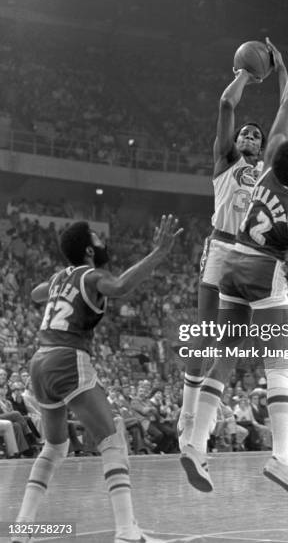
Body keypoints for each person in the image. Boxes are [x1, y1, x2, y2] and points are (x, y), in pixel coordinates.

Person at [180, 21, 288, 502]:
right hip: (263, 272)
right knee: (278, 365)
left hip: (232, 264)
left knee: (225, 354)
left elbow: (286, 109)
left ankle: (196, 443)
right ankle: (282, 460)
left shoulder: (262, 175)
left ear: (276, 157)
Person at [11, 215, 182, 543]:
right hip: (67, 358)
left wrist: (57, 285)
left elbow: (35, 294)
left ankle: (24, 528)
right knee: (112, 440)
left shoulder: (61, 277)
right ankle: (126, 532)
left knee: (55, 447)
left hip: (39, 362)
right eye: (98, 240)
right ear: (89, 249)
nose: (104, 245)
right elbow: (119, 287)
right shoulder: (92, 276)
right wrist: (158, 254)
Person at [177, 36, 288, 451]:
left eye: (254, 136)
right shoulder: (225, 159)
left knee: (230, 340)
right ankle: (188, 414)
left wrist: (282, 74)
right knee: (204, 333)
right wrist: (245, 71)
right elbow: (227, 105)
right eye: (244, 133)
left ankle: (203, 419)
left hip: (250, 257)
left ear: (261, 147)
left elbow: (284, 118)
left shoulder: (266, 173)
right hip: (220, 247)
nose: (248, 136)